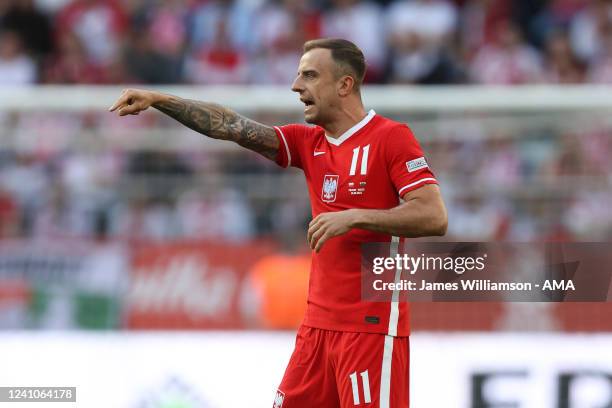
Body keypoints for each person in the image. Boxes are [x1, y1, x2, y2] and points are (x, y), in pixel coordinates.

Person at [109, 38, 447, 408]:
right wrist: (160, 100)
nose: (295, 85)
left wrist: (356, 217)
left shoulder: (390, 138)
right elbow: (231, 125)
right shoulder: (309, 142)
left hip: (369, 329)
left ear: (345, 85)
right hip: (316, 329)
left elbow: (434, 215)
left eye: (310, 75)